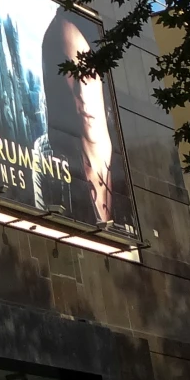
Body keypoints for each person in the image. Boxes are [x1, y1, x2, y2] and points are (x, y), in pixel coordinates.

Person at [36, 13, 119, 225]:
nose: (81, 93)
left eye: (89, 73)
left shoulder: (131, 156)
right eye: (69, 74)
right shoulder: (45, 154)